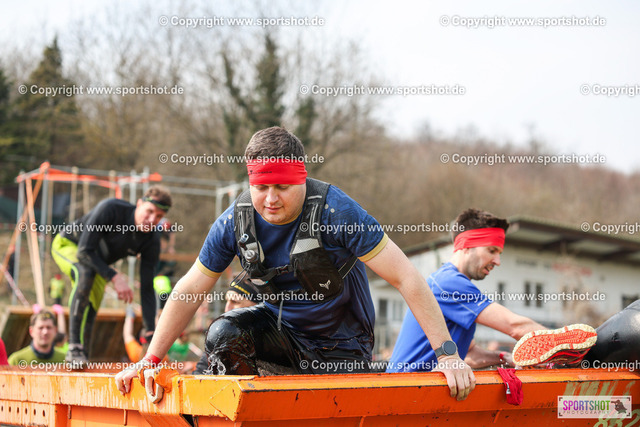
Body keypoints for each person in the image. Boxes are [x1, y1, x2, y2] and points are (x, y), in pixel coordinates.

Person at [116, 126, 475, 400]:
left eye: (283, 188)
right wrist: (150, 360)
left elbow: (407, 277)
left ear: (301, 179)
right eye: (261, 188)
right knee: (223, 333)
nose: (271, 199)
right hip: (282, 335)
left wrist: (447, 355)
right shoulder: (234, 222)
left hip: (342, 346)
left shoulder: (338, 212)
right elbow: (192, 287)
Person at [387, 208, 597, 372]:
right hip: (404, 390)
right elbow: (515, 326)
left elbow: (469, 354)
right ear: (466, 245)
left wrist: (505, 358)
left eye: (499, 253)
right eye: (491, 250)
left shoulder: (446, 282)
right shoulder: (448, 283)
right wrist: (568, 344)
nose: (497, 261)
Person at [51, 185, 172, 365]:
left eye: (159, 216)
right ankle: (74, 347)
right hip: (69, 244)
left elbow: (147, 287)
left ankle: (83, 354)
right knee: (85, 273)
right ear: (139, 204)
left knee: (93, 304)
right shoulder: (112, 209)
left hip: (98, 262)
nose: (152, 219)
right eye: (150, 211)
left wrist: (149, 331)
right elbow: (84, 252)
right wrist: (114, 277)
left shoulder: (152, 240)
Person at [192, 273, 259, 374]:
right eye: (227, 301)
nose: (227, 309)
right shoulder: (220, 338)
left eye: (235, 302)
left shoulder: (271, 340)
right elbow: (200, 373)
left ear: (256, 306)